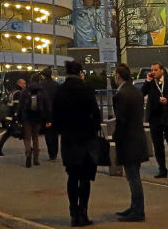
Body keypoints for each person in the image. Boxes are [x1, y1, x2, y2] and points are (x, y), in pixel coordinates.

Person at [51, 60, 101, 227]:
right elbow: (96, 113)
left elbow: (54, 117)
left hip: (69, 139)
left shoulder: (60, 91)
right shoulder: (86, 89)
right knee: (85, 178)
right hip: (86, 138)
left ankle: (73, 213)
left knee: (72, 176)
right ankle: (83, 213)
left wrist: (63, 130)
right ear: (80, 72)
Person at [112, 64, 148, 222]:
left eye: (115, 75)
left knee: (133, 177)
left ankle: (138, 210)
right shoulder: (136, 91)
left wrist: (115, 135)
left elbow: (122, 119)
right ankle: (134, 207)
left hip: (129, 140)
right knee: (134, 175)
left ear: (119, 76)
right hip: (137, 138)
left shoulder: (122, 94)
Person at [138, 62, 168, 178]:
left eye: (156, 70)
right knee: (158, 145)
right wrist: (147, 81)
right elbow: (141, 93)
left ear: (162, 70)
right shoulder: (150, 83)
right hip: (154, 117)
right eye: (152, 70)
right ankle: (162, 169)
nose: (153, 72)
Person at [19, 74, 50, 167]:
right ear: (39, 81)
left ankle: (28, 152)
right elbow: (47, 106)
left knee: (27, 137)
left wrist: (18, 118)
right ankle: (36, 159)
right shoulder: (42, 91)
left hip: (26, 116)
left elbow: (20, 106)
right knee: (35, 137)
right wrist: (48, 119)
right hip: (38, 117)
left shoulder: (25, 91)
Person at [0, 79, 25, 157]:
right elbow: (16, 106)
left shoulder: (12, 91)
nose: (25, 85)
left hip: (8, 115)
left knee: (8, 133)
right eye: (24, 83)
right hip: (13, 116)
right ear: (20, 84)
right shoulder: (18, 93)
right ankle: (28, 148)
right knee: (22, 132)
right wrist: (16, 117)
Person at [39, 69, 60, 161]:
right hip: (55, 112)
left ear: (43, 75)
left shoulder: (40, 86)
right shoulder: (56, 85)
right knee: (55, 133)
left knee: (47, 134)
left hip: (45, 112)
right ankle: (55, 153)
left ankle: (51, 154)